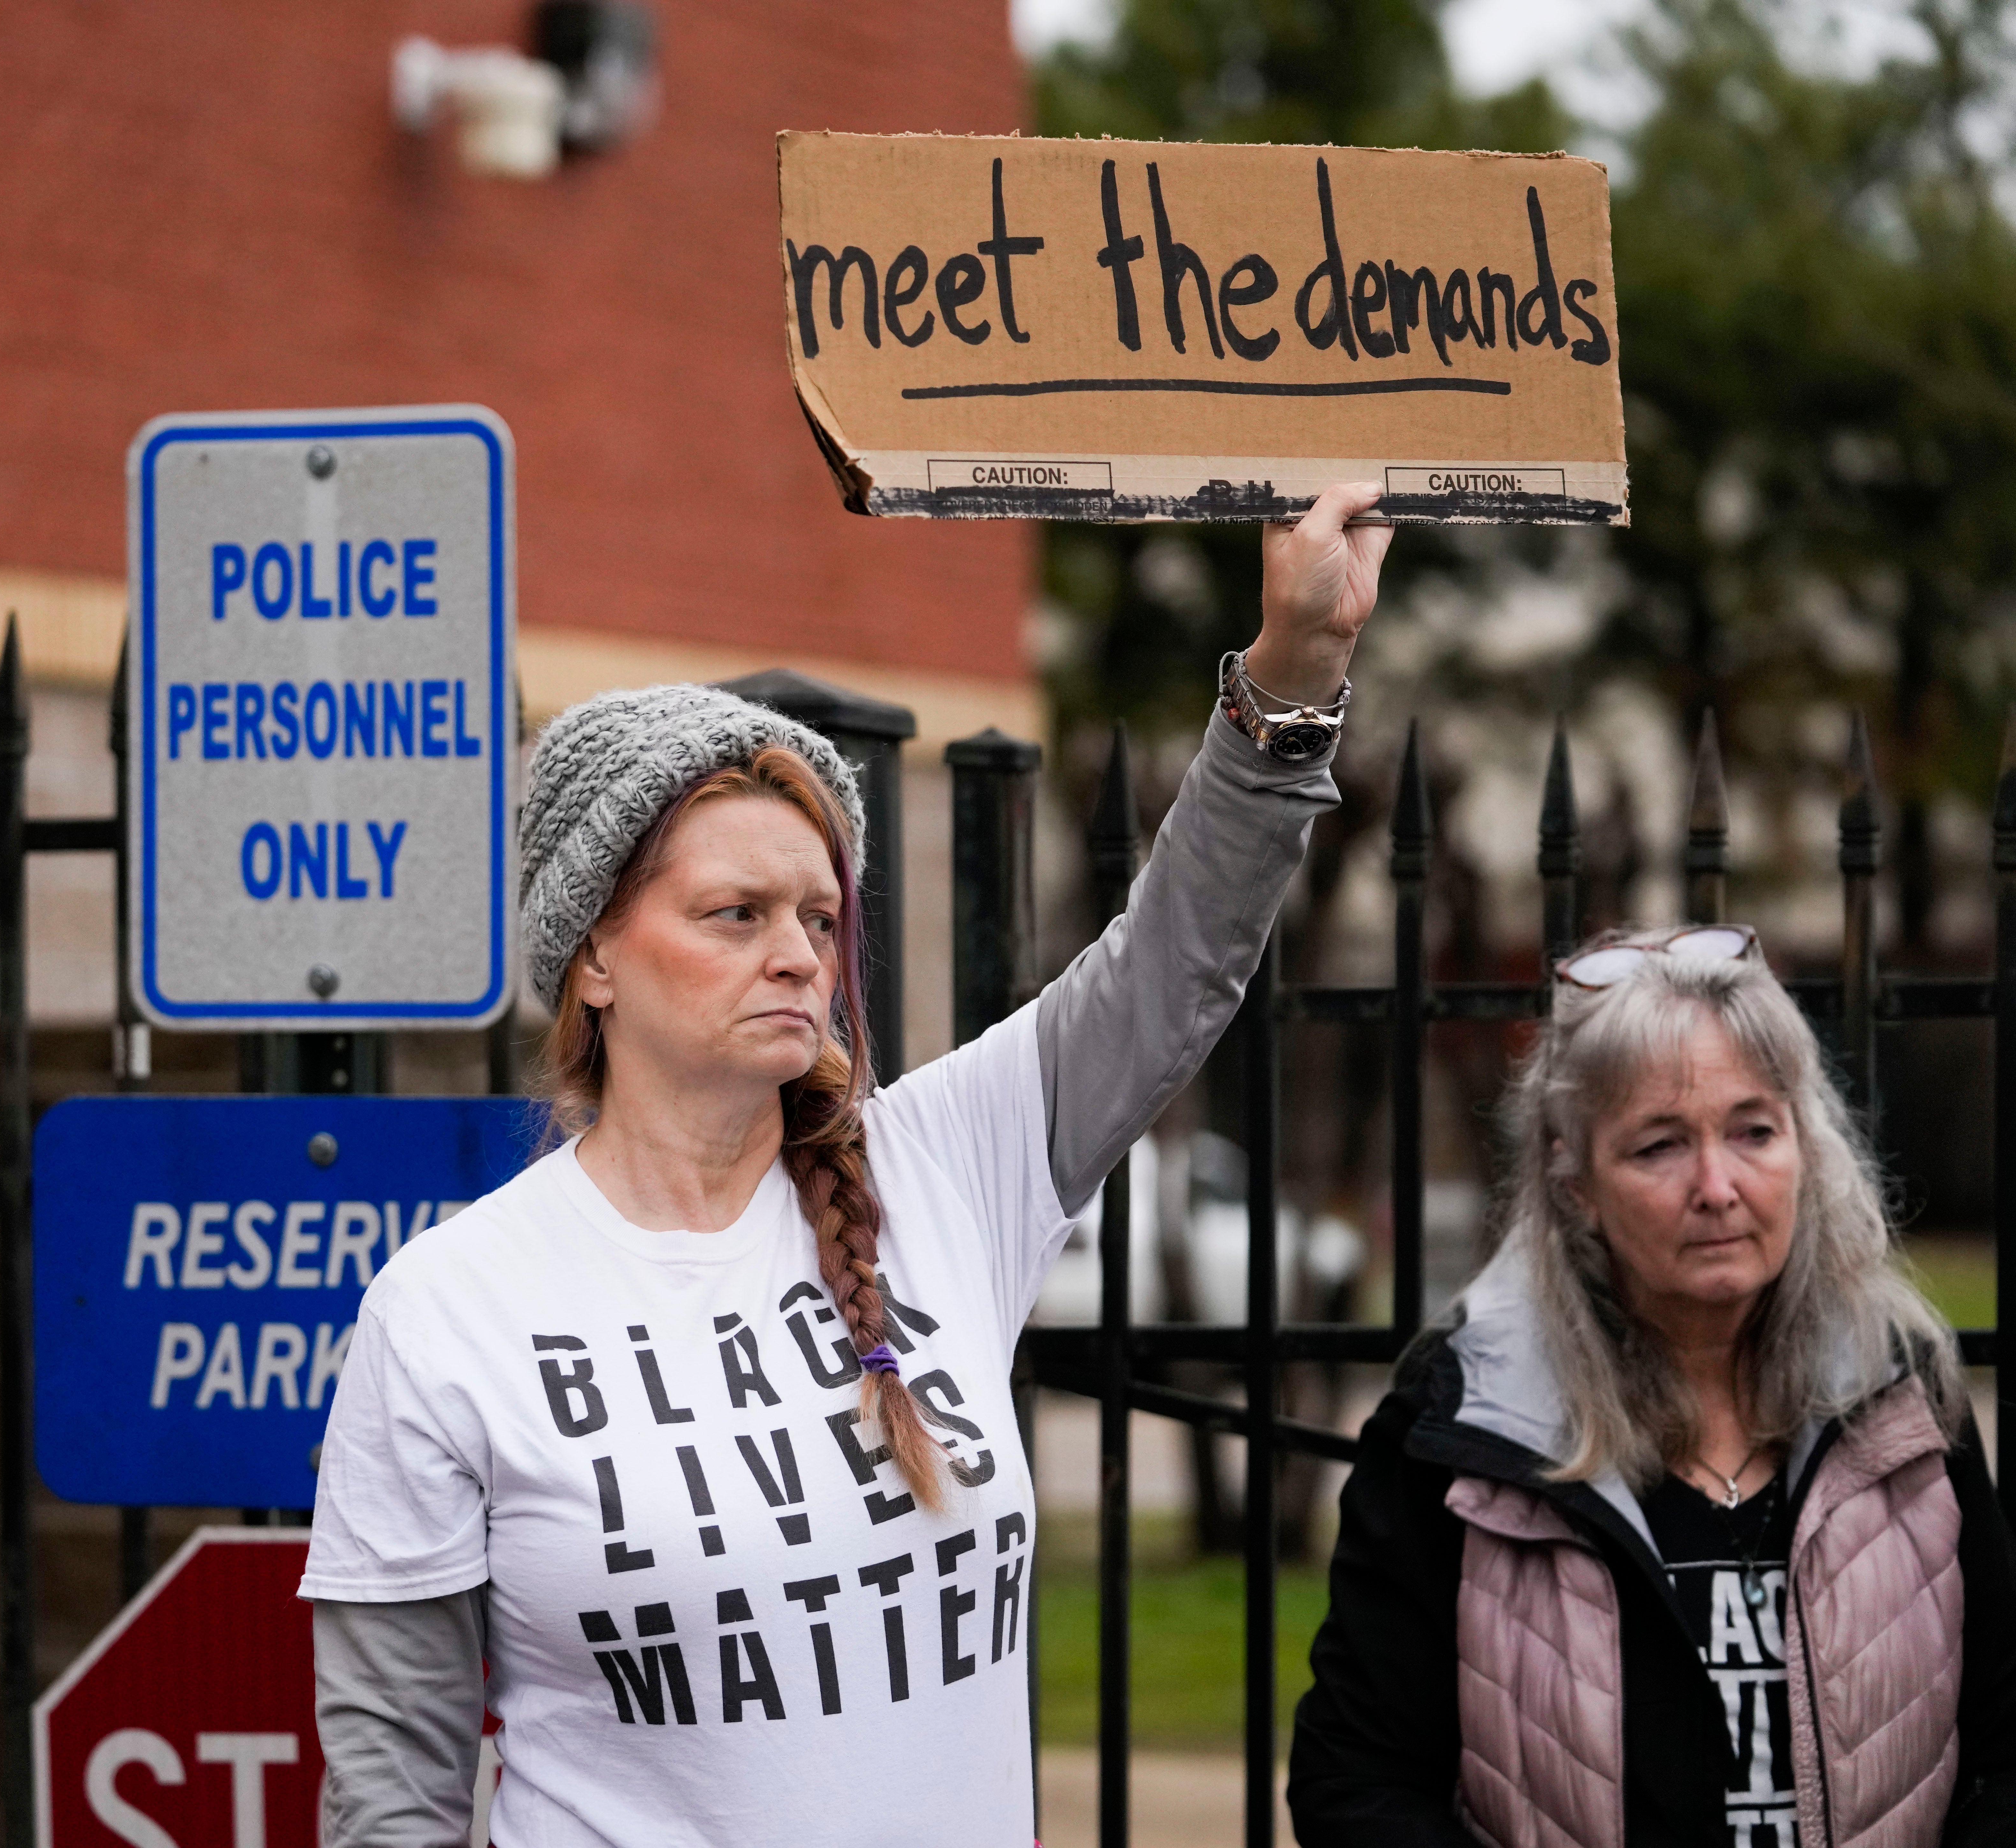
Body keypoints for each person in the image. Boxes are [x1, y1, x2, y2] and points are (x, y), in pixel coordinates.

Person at [299, 484, 1392, 1848]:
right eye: (734, 914)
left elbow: (1178, 963)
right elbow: (391, 1792)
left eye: (819, 914)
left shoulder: (942, 1167)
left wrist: (1293, 673)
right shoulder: (448, 1310)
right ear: (591, 957)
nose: (800, 953)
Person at [1291, 924, 2016, 1848]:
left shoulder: (1905, 1404)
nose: (1717, 1185)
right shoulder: (1461, 1431)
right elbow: (1355, 1782)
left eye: (1754, 1131)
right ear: (1576, 1182)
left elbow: (2002, 1753)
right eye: (1659, 1147)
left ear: (1806, 1148)